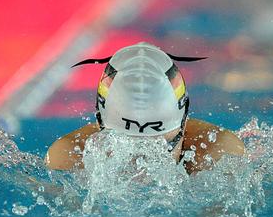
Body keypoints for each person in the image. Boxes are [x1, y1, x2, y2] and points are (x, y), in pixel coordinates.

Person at [46, 43, 244, 174]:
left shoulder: (219, 155)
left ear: (184, 123)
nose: (142, 168)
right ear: (99, 124)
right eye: (125, 147)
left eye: (162, 146)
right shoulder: (68, 160)